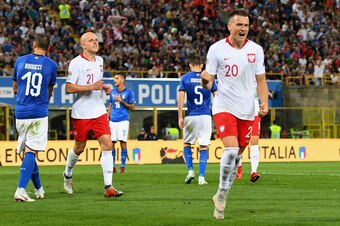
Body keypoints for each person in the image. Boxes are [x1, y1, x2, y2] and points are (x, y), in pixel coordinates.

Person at [200, 10, 269, 219]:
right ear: (230, 26)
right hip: (224, 106)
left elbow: (261, 80)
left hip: (248, 109)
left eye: (246, 25)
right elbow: (209, 80)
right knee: (230, 151)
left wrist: (264, 102)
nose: (243, 29)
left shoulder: (256, 50)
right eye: (239, 25)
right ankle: (221, 193)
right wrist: (204, 80)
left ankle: (222, 194)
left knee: (238, 156)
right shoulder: (217, 49)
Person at [63, 32, 123, 198]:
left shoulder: (100, 61)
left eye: (96, 40)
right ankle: (67, 174)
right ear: (83, 45)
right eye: (91, 41)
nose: (95, 43)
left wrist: (103, 87)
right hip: (81, 113)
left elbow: (96, 83)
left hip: (98, 111)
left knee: (107, 144)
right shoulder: (76, 63)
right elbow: (69, 88)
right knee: (79, 147)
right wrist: (92, 86)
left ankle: (108, 186)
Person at [12, 34, 57, 202]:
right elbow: (50, 89)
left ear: (34, 44)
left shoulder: (20, 61)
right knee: (31, 151)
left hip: (21, 112)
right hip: (38, 113)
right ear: (49, 48)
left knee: (28, 152)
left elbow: (15, 87)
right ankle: (21, 190)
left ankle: (38, 188)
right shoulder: (51, 65)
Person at [178, 56, 217, 185]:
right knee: (204, 146)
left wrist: (180, 116)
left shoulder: (185, 78)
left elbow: (181, 99)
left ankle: (190, 171)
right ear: (202, 65)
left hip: (191, 115)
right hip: (205, 116)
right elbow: (216, 96)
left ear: (190, 65)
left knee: (187, 144)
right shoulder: (209, 77)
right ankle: (201, 177)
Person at [108, 73, 136, 173]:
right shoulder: (112, 92)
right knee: (111, 144)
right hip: (112, 121)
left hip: (123, 120)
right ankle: (113, 166)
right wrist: (107, 117)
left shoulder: (129, 92)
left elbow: (133, 107)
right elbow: (111, 105)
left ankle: (122, 166)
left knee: (123, 143)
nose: (114, 80)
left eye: (117, 78)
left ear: (122, 80)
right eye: (114, 78)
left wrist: (122, 101)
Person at [236, 99, 262, 183]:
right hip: (240, 111)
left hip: (255, 111)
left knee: (254, 140)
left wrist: (264, 103)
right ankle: (238, 166)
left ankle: (253, 172)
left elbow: (262, 87)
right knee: (240, 142)